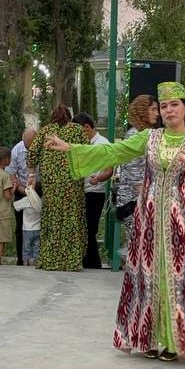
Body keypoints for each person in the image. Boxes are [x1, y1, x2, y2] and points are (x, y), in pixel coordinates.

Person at [47, 82, 185, 361]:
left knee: (182, 275)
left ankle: (176, 342)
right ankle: (149, 338)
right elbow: (114, 152)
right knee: (148, 275)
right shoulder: (149, 138)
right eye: (164, 106)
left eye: (174, 105)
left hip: (181, 218)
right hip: (148, 219)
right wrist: (72, 148)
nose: (169, 110)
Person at [28, 104, 87, 271]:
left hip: (51, 185)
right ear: (69, 116)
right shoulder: (77, 130)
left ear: (52, 117)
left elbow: (31, 154)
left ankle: (50, 259)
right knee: (71, 218)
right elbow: (87, 150)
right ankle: (71, 261)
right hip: (72, 183)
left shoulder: (45, 131)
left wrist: (31, 175)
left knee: (52, 217)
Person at [115, 95, 159, 250]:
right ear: (142, 111)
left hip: (142, 200)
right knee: (140, 248)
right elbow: (134, 174)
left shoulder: (146, 134)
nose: (157, 113)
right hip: (135, 203)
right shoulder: (134, 135)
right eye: (153, 109)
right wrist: (148, 202)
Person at [73, 112, 112, 269]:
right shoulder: (83, 144)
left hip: (95, 193)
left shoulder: (102, 144)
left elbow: (109, 169)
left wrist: (99, 178)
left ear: (87, 128)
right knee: (83, 228)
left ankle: (93, 263)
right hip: (82, 191)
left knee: (90, 228)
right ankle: (87, 261)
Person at [7, 128, 37, 265]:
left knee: (38, 226)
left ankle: (37, 257)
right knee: (20, 227)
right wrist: (22, 190)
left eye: (31, 145)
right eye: (27, 145)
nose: (29, 148)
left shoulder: (42, 148)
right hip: (21, 189)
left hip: (39, 189)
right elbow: (11, 173)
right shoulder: (16, 150)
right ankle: (21, 259)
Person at [13, 174, 42, 265]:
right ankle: (35, 263)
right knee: (36, 248)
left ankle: (26, 263)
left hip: (27, 229)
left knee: (26, 249)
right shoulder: (41, 202)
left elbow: (15, 206)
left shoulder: (26, 201)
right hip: (38, 228)